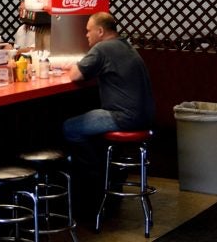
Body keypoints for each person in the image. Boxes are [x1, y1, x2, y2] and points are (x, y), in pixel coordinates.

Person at [61, 11, 155, 216]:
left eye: (88, 31)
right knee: (87, 127)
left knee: (69, 127)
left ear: (100, 31)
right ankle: (107, 173)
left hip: (123, 117)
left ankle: (95, 175)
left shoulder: (103, 48)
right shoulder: (124, 45)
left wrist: (70, 66)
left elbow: (76, 75)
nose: (86, 35)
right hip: (144, 117)